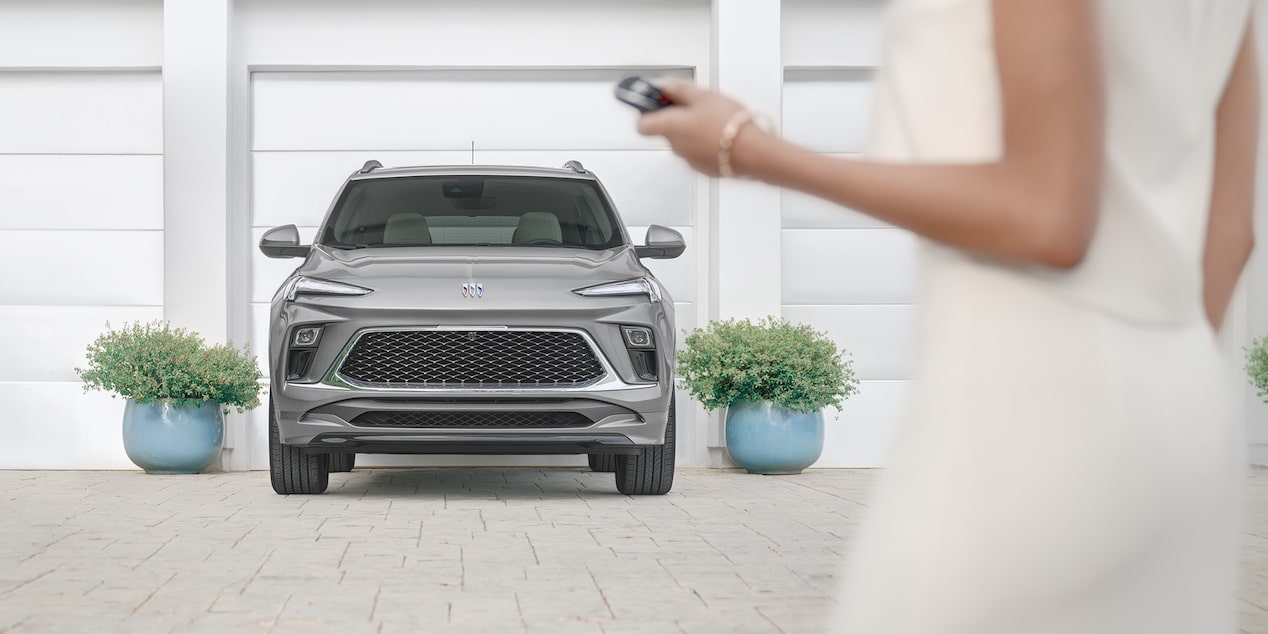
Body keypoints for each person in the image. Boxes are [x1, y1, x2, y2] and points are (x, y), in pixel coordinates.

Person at [636, 0, 1258, 632]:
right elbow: (1231, 235)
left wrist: (748, 148)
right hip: (1187, 407)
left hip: (1036, 412)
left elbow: (1048, 215)